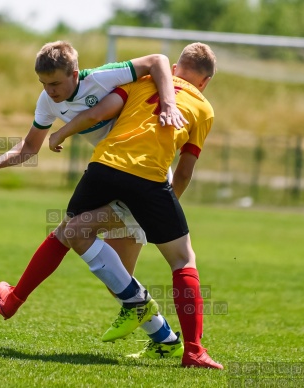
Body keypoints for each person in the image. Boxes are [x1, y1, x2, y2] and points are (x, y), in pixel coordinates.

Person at [0, 41, 188, 359]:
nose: (50, 90)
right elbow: (30, 147)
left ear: (75, 74)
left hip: (141, 177)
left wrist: (169, 104)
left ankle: (15, 298)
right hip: (111, 175)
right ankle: (167, 339)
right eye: (44, 84)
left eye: (56, 83)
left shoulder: (101, 78)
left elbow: (158, 60)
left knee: (72, 233)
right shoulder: (47, 101)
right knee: (116, 279)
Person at [50, 42, 223, 369]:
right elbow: (184, 172)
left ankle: (164, 339)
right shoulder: (204, 108)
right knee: (183, 260)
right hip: (153, 184)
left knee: (77, 239)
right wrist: (163, 209)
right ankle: (193, 350)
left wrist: (62, 132)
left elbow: (98, 113)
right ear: (205, 82)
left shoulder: (141, 81)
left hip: (104, 166)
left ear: (173, 69)